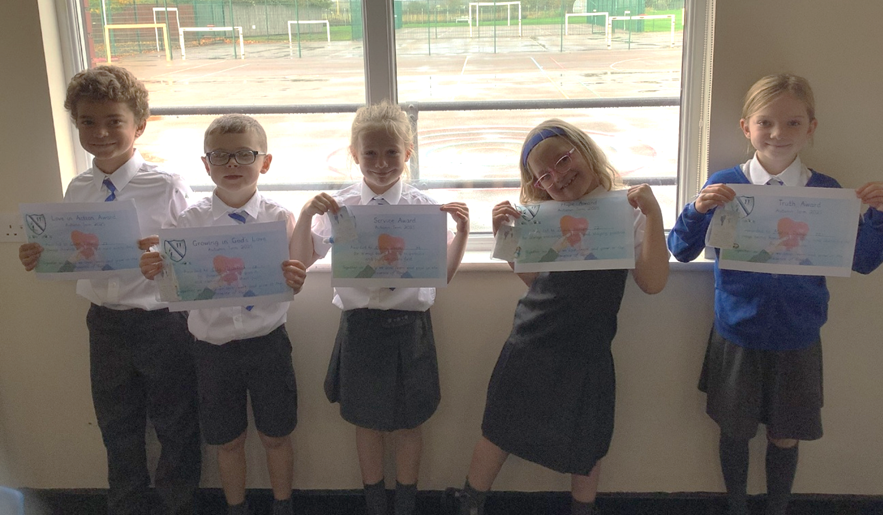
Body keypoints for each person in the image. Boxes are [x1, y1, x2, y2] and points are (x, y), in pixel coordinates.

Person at [667, 73, 883, 515]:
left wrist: (879, 216)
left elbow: (862, 261)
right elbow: (682, 251)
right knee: (735, 430)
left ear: (811, 128)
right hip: (737, 334)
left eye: (793, 123)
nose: (778, 133)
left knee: (786, 434)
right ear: (746, 127)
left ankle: (777, 508)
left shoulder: (826, 192)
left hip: (797, 336)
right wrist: (696, 209)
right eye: (765, 122)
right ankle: (737, 507)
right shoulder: (725, 184)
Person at [447, 118, 670, 515]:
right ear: (538, 185)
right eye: (545, 175)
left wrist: (653, 215)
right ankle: (470, 504)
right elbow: (536, 281)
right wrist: (505, 237)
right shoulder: (543, 216)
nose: (559, 176)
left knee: (588, 443)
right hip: (531, 343)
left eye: (564, 160)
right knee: (499, 429)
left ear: (584, 150)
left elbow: (653, 282)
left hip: (588, 350)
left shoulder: (628, 211)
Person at [17, 65, 201, 515]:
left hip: (162, 323)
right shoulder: (79, 188)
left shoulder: (166, 184)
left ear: (139, 125)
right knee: (116, 426)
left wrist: (166, 253)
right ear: (76, 124)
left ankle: (178, 506)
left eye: (114, 121)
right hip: (105, 324)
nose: (100, 133)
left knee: (175, 424)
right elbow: (74, 251)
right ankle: (125, 505)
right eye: (87, 122)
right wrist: (43, 255)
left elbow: (194, 251)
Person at [290, 101, 470, 515]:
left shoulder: (425, 207)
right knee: (366, 422)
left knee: (409, 422)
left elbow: (441, 274)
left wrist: (461, 232)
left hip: (410, 326)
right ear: (354, 155)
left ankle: (405, 503)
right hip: (360, 326)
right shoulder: (340, 206)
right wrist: (305, 215)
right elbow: (301, 259)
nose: (382, 163)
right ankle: (374, 502)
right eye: (370, 153)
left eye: (392, 152)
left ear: (408, 153)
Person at [139, 114, 308, 515]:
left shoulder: (279, 218)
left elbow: (292, 277)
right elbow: (174, 283)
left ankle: (283, 505)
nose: (232, 164)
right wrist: (154, 270)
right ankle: (237, 507)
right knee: (227, 441)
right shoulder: (188, 222)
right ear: (206, 164)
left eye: (244, 154)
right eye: (220, 156)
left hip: (267, 344)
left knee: (276, 435)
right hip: (211, 351)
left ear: (265, 162)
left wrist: (296, 278)